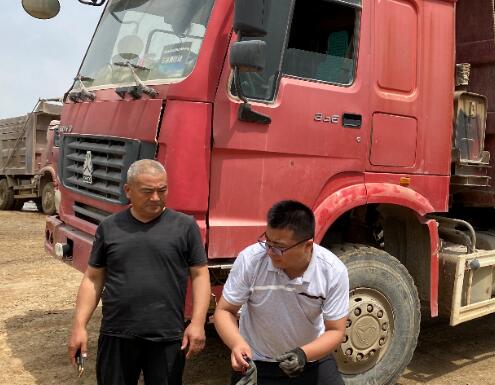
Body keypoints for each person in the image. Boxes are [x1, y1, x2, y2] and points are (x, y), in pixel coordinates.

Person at [67, 159, 210, 385]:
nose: (155, 197)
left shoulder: (184, 226)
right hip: (117, 334)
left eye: (162, 190)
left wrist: (198, 322)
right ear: (128, 190)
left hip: (167, 336)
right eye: (147, 191)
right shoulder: (110, 227)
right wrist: (79, 326)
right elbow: (93, 278)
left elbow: (200, 274)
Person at [214, 200, 349, 385]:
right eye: (267, 242)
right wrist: (237, 344)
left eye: (279, 247)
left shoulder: (332, 271)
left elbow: (335, 330)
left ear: (307, 245)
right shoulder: (251, 260)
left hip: (309, 359)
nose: (270, 252)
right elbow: (224, 311)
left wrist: (303, 354)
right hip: (257, 361)